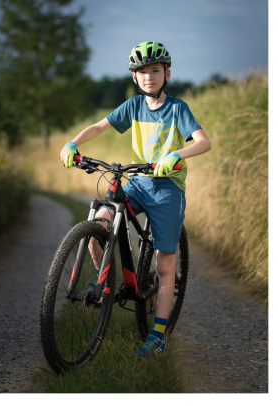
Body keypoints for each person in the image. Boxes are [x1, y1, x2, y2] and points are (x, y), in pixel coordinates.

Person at [60, 41, 211, 358]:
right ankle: (103, 283)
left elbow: (203, 142)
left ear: (167, 74)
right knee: (99, 222)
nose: (149, 77)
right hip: (138, 182)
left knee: (165, 265)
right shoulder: (133, 106)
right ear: (134, 77)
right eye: (142, 72)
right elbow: (99, 126)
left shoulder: (177, 108)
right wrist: (73, 143)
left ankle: (157, 336)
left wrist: (177, 154)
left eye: (155, 70)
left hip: (167, 188)